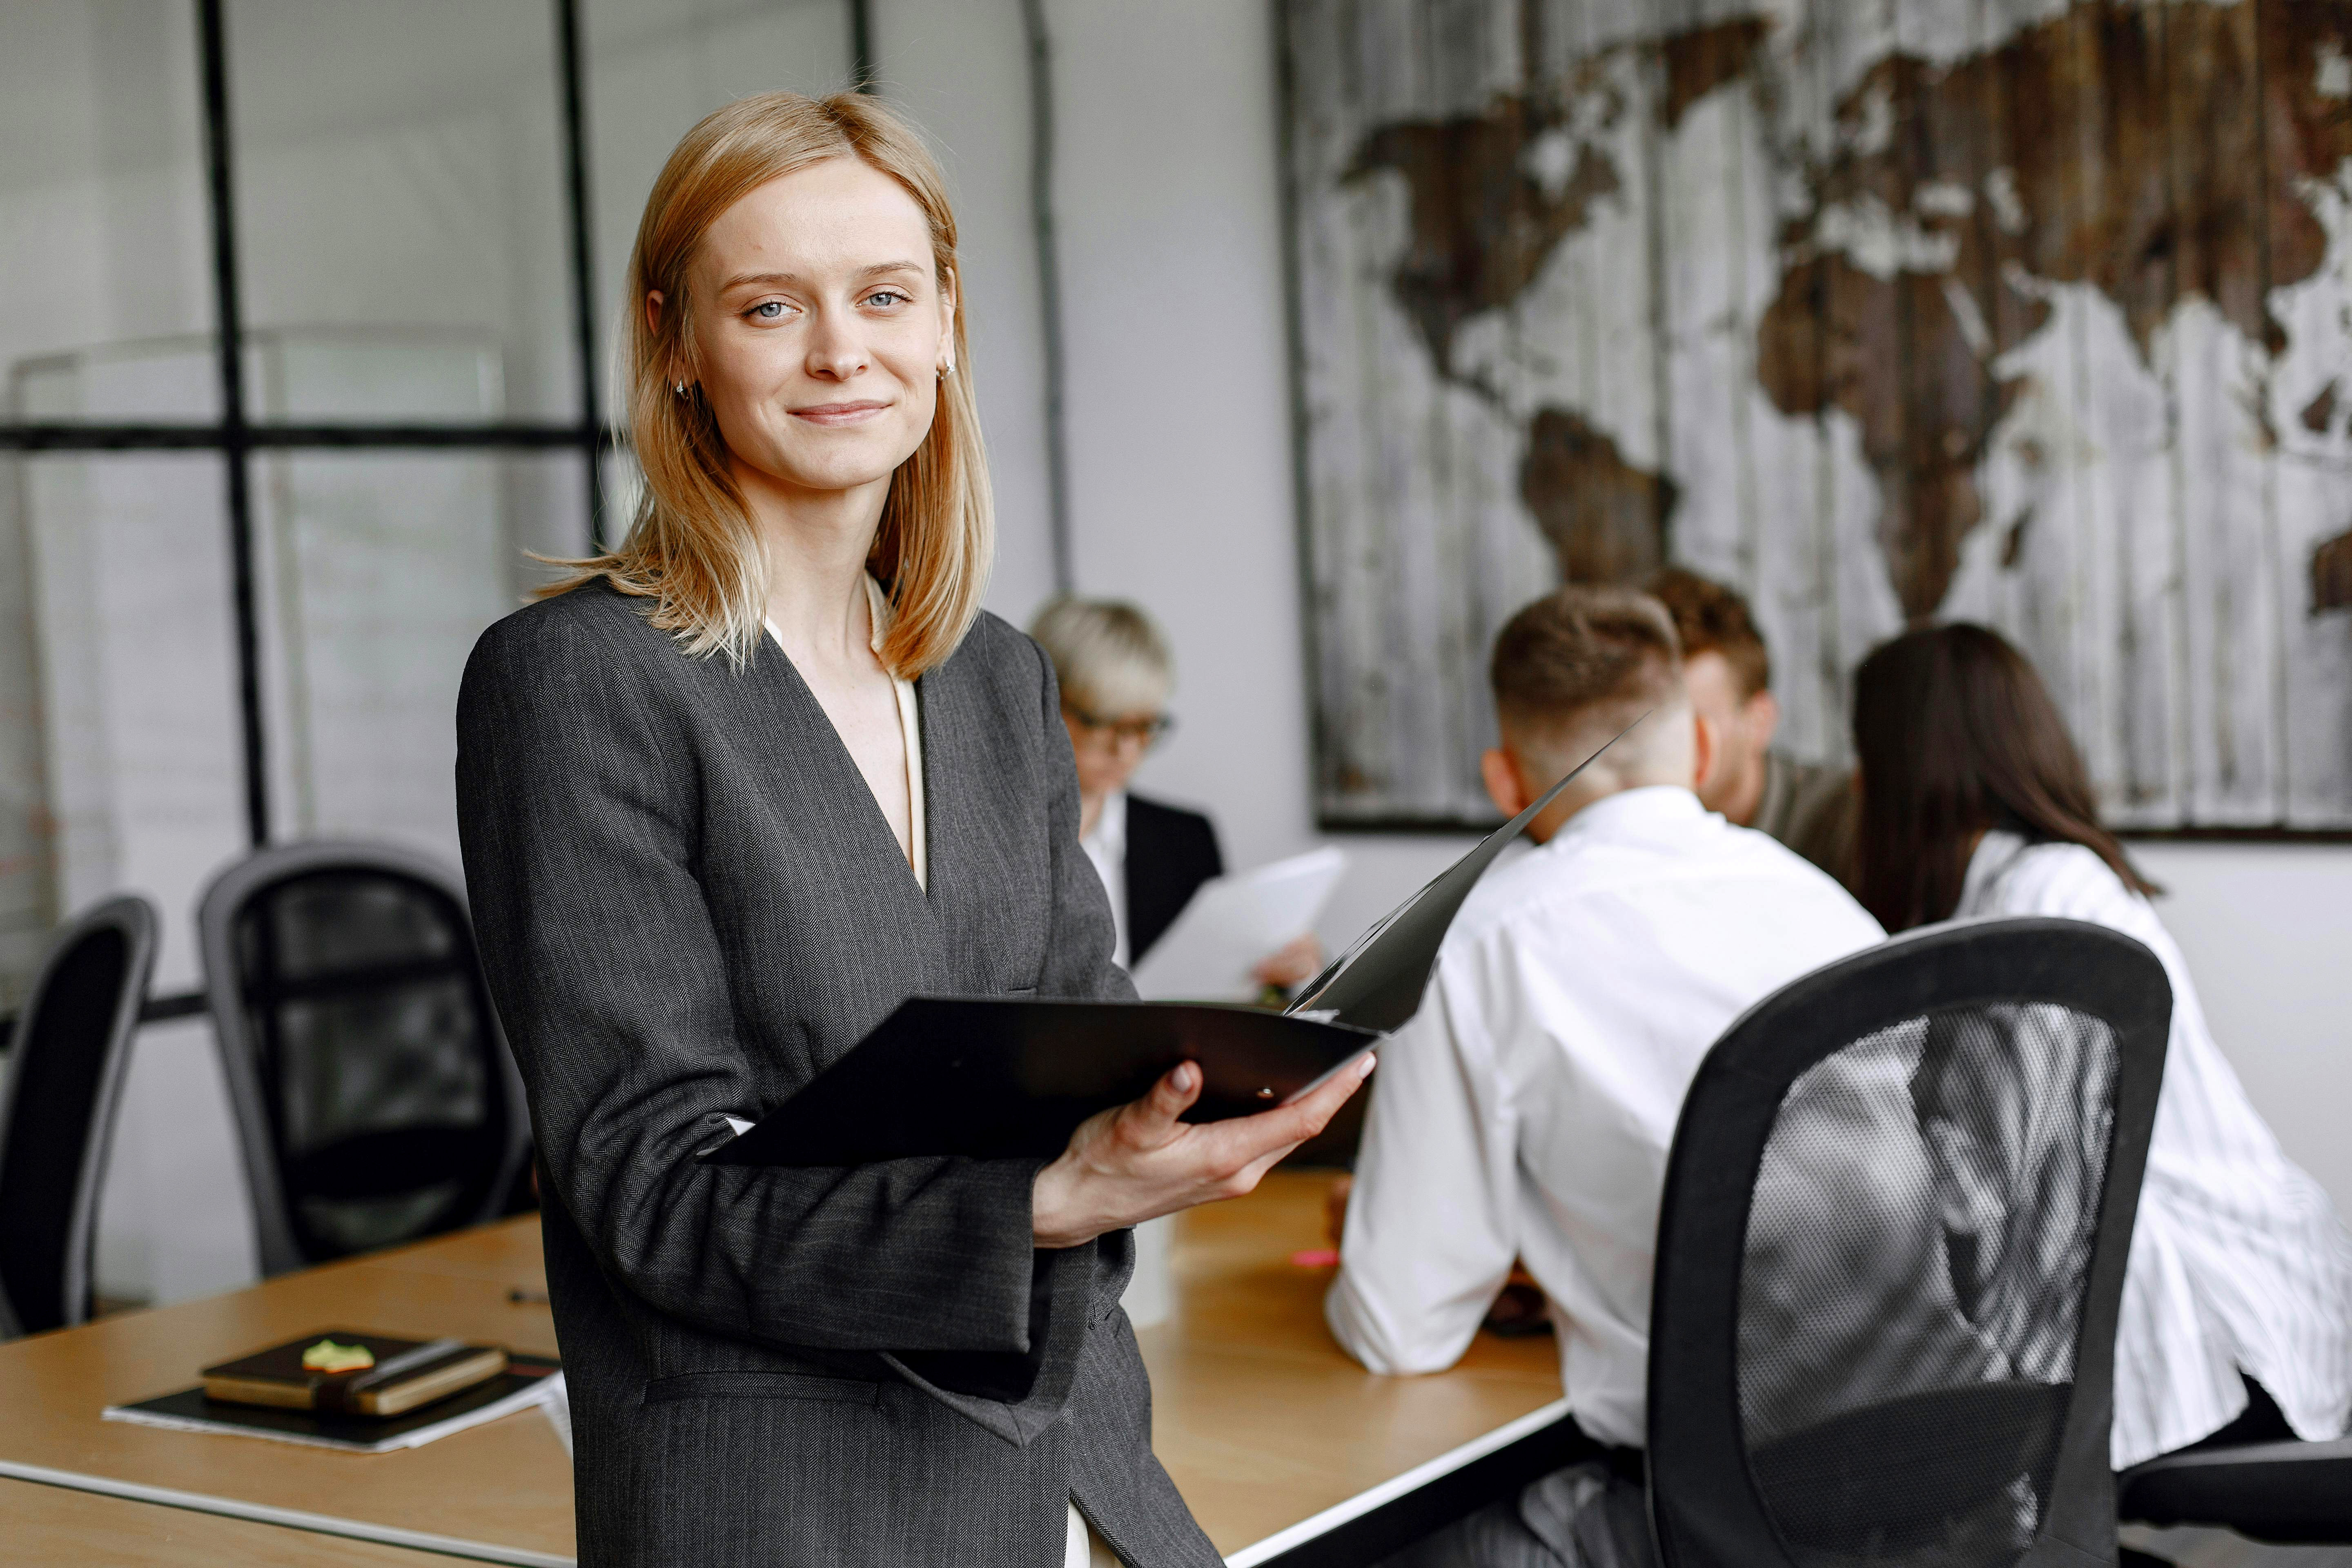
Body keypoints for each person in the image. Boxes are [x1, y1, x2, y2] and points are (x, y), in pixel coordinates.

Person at [454, 91, 1368, 1568]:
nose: (840, 350)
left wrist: (1175, 1117)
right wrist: (1041, 1202)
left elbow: (1084, 1032)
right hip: (788, 1498)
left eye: (884, 294)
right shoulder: (579, 682)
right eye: (768, 305)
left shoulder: (996, 679)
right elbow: (652, 1184)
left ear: (944, 319)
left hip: (1071, 1465)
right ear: (677, 340)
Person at [1325, 586, 1892, 1565]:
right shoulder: (1834, 912)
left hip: (1688, 1511)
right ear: (1701, 751)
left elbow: (1400, 1327)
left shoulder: (1475, 945)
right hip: (1915, 1467)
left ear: (1506, 781)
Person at [1850, 623, 2352, 1472]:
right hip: (2240, 1303)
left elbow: (1979, 1190)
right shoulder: (2041, 886)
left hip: (2209, 1336)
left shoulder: (2041, 903)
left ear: (1900, 770)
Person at [1029, 597, 1319, 989]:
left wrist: (1278, 972)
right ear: (1040, 701)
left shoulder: (1185, 840)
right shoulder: (986, 835)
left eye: (1145, 726)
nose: (1127, 750)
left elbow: (1220, 992)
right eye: (1102, 722)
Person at [1648, 567, 1855, 885]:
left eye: (1692, 726)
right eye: (1648, 724)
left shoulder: (1841, 822)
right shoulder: (1630, 837)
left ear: (1760, 722)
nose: (1660, 746)